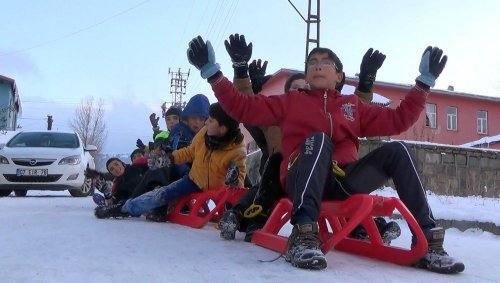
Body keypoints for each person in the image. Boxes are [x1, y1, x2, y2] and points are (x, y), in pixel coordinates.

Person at [186, 35, 464, 274]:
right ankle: (304, 235)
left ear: (339, 76)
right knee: (318, 140)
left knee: (398, 151)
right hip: (300, 177)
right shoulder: (291, 102)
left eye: (326, 62)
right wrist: (213, 74)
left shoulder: (353, 107)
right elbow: (244, 108)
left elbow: (399, 120)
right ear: (307, 75)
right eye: (312, 63)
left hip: (343, 181)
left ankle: (429, 241)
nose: (318, 65)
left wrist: (423, 84)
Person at [219, 34, 398, 243]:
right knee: (274, 165)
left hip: (322, 173)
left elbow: (351, 112)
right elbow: (247, 107)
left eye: (303, 87)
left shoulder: (320, 111)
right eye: (296, 90)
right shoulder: (277, 116)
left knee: (337, 177)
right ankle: (244, 215)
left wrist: (366, 82)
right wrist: (244, 73)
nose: (301, 91)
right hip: (281, 177)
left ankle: (363, 228)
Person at [94, 102, 247, 220]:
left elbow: (239, 179)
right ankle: (124, 209)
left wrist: (233, 181)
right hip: (194, 179)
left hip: (218, 188)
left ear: (223, 128)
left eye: (211, 120)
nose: (206, 123)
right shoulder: (203, 134)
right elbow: (189, 152)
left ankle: (232, 219)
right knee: (162, 193)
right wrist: (168, 159)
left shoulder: (237, 150)